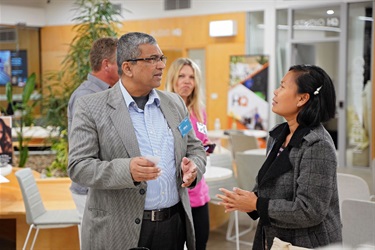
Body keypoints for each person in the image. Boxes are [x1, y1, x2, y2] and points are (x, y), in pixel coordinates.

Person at [68, 32, 206, 250]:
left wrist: (195, 165)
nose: (160, 65)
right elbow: (78, 167)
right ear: (127, 67)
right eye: (151, 59)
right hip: (120, 231)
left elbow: (195, 147)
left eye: (161, 58)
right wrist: (127, 170)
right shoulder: (91, 107)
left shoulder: (175, 104)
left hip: (173, 227)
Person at [217, 64, 342, 249]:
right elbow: (272, 187)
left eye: (283, 86)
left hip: (305, 243)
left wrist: (257, 204)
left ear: (302, 98)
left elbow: (310, 210)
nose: (275, 92)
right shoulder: (279, 135)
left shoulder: (317, 145)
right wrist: (248, 200)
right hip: (273, 237)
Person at [67, 37, 119, 220]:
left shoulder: (109, 92)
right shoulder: (85, 97)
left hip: (102, 188)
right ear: (107, 65)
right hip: (89, 191)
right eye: (120, 62)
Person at [165, 58, 211, 250]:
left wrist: (204, 147)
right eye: (182, 76)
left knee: (200, 243)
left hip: (198, 191)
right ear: (173, 79)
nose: (187, 81)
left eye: (191, 77)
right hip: (175, 193)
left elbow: (200, 141)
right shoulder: (163, 110)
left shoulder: (199, 111)